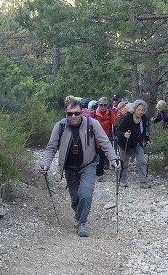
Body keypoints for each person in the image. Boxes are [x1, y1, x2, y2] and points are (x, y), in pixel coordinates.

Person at [40, 99, 121, 237]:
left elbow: (105, 143)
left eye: (76, 113)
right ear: (65, 113)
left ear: (82, 113)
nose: (73, 116)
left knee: (85, 195)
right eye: (70, 113)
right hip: (69, 168)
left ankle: (81, 223)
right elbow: (51, 148)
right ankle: (80, 215)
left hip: (88, 165)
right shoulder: (59, 126)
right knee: (75, 199)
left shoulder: (92, 124)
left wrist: (114, 159)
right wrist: (45, 164)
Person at [114, 99, 151, 188]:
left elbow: (145, 130)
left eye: (142, 110)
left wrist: (148, 139)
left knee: (141, 161)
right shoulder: (127, 117)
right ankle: (123, 181)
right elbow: (117, 131)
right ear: (134, 109)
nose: (141, 112)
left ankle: (143, 182)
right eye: (139, 110)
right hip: (125, 143)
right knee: (125, 163)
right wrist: (124, 134)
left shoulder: (144, 118)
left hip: (137, 142)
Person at [93, 97, 116, 177]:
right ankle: (98, 171)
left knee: (102, 154)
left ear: (107, 105)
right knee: (96, 154)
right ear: (98, 104)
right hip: (95, 137)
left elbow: (115, 124)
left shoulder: (110, 113)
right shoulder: (94, 114)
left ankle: (100, 172)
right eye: (101, 105)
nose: (103, 107)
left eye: (105, 105)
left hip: (106, 136)